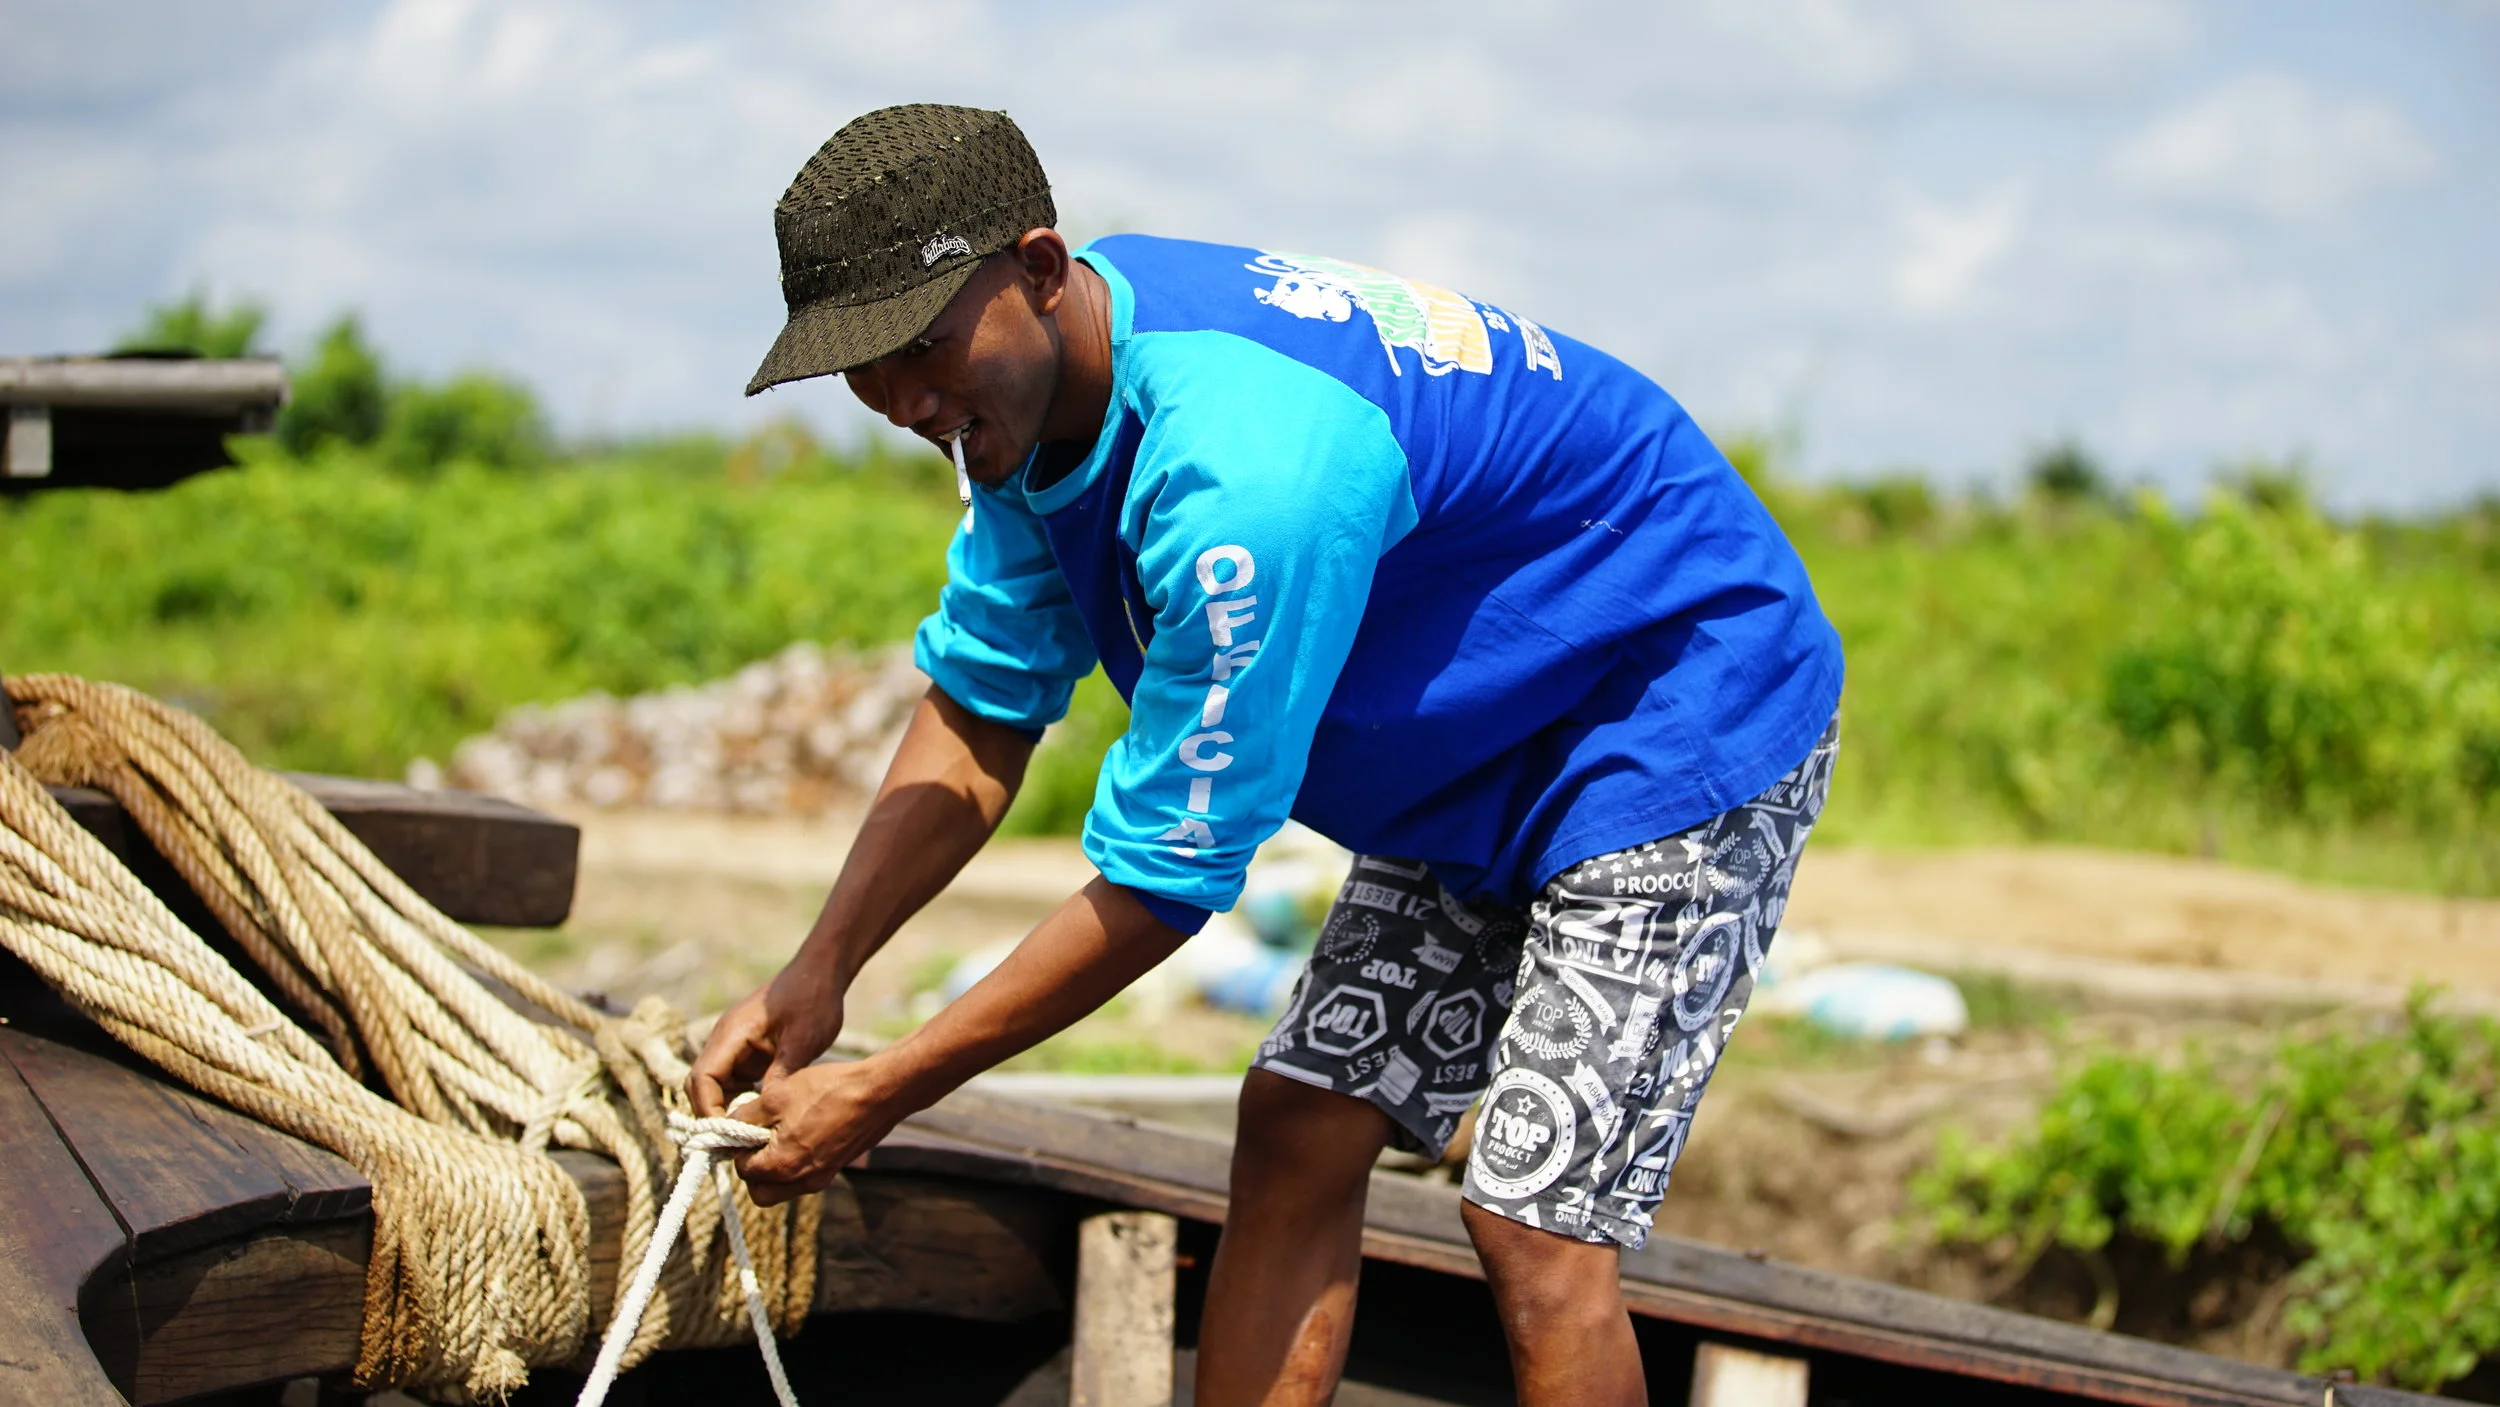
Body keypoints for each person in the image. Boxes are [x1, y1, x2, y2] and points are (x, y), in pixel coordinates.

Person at [690, 103, 1843, 1407]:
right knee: (1299, 1125)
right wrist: (819, 971)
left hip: (1676, 705)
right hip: (1478, 746)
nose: (905, 402)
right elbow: (982, 711)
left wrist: (888, 1088)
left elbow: (1164, 883)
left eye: (922, 346)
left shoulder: (1247, 478)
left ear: (1042, 269)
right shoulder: (1021, 405)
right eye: (863, 368)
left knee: (1535, 1225)